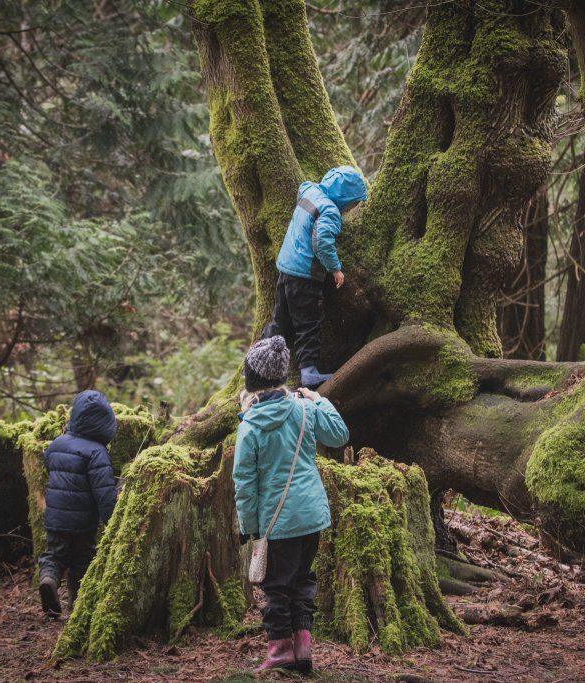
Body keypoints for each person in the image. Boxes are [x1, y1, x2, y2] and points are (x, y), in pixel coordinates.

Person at [233, 336, 350, 673]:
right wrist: (319, 400)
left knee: (276, 588)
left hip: (277, 522)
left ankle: (280, 650)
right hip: (311, 516)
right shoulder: (304, 410)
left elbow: (244, 485)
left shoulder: (250, 427)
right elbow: (339, 436)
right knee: (303, 581)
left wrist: (249, 528)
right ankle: (303, 651)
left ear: (251, 380)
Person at [268, 165, 368, 388]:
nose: (351, 209)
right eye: (353, 204)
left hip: (286, 267)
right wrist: (335, 268)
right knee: (307, 324)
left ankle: (260, 360)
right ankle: (309, 371)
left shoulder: (309, 191)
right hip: (304, 275)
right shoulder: (330, 212)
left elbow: (302, 188)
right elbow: (322, 241)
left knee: (280, 320)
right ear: (345, 198)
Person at [38, 389, 118, 618]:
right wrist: (113, 521)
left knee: (54, 555)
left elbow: (50, 469)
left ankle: (48, 580)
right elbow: (104, 495)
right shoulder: (97, 452)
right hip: (83, 523)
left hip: (55, 519)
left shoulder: (56, 445)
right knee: (81, 562)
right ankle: (78, 607)